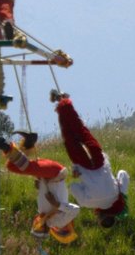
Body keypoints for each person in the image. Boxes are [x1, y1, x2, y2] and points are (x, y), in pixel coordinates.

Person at [51, 89, 130, 227]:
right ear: (101, 217)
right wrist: (86, 184)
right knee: (68, 136)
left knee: (81, 129)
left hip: (99, 159)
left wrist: (122, 193)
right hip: (82, 164)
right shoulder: (87, 202)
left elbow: (123, 173)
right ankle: (61, 103)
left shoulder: (117, 196)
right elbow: (73, 186)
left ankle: (66, 102)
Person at [0, 130, 80, 244]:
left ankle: (28, 143)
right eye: (38, 226)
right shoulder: (56, 222)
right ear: (44, 228)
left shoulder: (42, 211)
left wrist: (39, 184)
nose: (36, 222)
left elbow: (46, 191)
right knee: (25, 167)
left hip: (45, 174)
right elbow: (76, 209)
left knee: (12, 166)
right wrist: (58, 205)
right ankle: (4, 144)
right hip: (56, 173)